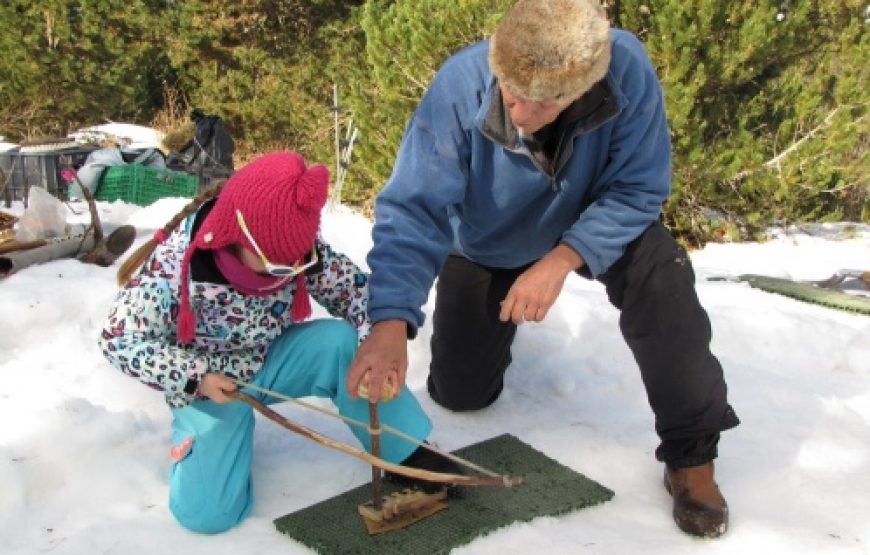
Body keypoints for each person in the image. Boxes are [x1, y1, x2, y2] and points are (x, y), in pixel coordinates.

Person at [347, 0, 739, 539]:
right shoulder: (460, 86)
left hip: (591, 219)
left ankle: (691, 453)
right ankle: (495, 321)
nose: (525, 114)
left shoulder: (625, 69)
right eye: (512, 93)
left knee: (662, 276)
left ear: (584, 86)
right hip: (486, 240)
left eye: (548, 100)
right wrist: (390, 321)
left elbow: (638, 189)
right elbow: (414, 210)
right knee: (461, 393)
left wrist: (562, 259)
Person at [97, 151, 453, 534]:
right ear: (236, 237)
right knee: (207, 515)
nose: (287, 274)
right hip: (212, 384)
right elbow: (119, 339)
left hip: (273, 360)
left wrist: (379, 338)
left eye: (296, 265)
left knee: (341, 343)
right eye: (278, 267)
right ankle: (212, 446)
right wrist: (195, 376)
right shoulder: (177, 265)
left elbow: (352, 292)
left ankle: (406, 451)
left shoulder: (295, 248)